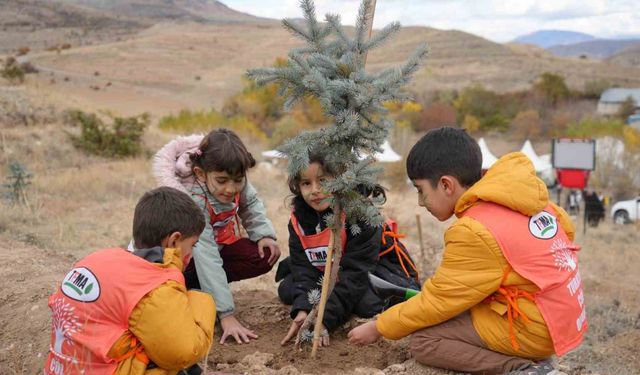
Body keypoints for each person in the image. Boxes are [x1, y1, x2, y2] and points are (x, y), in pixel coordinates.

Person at [349, 127, 586, 375]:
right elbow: (566, 231)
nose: (420, 202)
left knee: (425, 341)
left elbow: (438, 302)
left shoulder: (474, 230)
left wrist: (379, 327)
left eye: (421, 190)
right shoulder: (525, 200)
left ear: (446, 185)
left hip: (535, 328)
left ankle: (524, 368)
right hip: (564, 316)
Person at [45, 187, 216, 375]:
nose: (191, 254)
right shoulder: (155, 286)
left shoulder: (100, 258)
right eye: (193, 244)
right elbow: (182, 352)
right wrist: (200, 301)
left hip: (62, 368)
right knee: (171, 355)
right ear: (174, 241)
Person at [152, 129, 281, 345]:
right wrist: (226, 314)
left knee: (263, 254)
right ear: (201, 174)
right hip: (178, 261)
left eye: (238, 180)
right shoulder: (192, 197)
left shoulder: (232, 174)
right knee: (182, 278)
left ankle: (202, 290)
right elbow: (205, 253)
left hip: (214, 250)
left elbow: (251, 204)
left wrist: (264, 235)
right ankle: (185, 289)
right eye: (221, 181)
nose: (231, 188)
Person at [277, 154, 420, 347]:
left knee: (367, 304)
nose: (315, 190)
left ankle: (347, 302)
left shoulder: (361, 216)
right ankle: (335, 299)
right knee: (287, 289)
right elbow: (303, 268)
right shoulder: (298, 221)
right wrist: (304, 311)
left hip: (373, 270)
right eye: (306, 183)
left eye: (322, 180)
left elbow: (356, 274)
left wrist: (324, 320)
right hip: (327, 273)